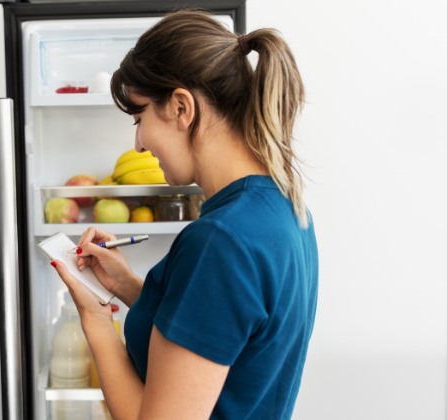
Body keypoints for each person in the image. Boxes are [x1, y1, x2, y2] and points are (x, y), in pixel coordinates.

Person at [50, 9, 318, 420]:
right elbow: (221, 336)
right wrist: (125, 285)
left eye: (140, 118)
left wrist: (97, 323)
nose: (138, 144)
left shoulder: (220, 241)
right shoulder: (284, 205)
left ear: (180, 108)